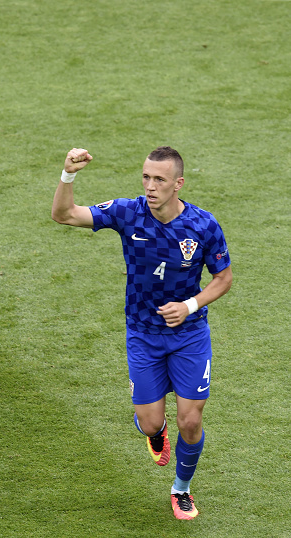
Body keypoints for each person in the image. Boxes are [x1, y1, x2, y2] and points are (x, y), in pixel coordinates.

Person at [51, 146, 232, 520]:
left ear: (178, 184)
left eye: (160, 180)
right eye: (146, 178)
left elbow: (223, 279)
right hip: (143, 334)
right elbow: (64, 215)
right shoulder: (127, 212)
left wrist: (190, 306)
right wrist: (68, 174)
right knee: (151, 422)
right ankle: (154, 432)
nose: (150, 186)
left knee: (191, 420)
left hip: (190, 334)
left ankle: (181, 488)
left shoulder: (203, 225)